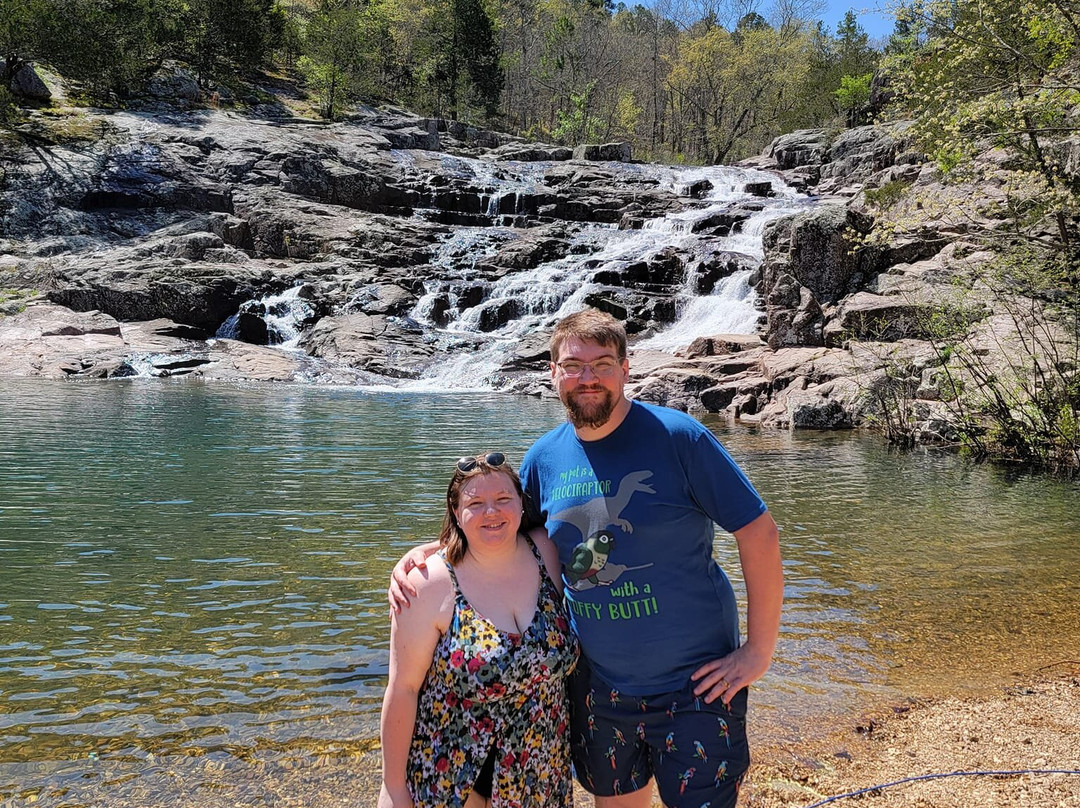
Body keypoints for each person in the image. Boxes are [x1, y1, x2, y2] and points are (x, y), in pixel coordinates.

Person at [390, 309, 783, 808]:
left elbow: (759, 533)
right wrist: (437, 552)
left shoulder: (679, 437)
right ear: (553, 373)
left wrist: (758, 651)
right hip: (599, 689)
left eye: (602, 364)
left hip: (697, 684)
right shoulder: (543, 458)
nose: (588, 377)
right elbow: (507, 534)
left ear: (625, 369)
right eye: (574, 365)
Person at [379, 452, 579, 808]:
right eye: (475, 504)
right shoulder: (427, 583)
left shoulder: (547, 552)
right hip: (453, 778)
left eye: (503, 499)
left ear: (521, 504)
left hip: (540, 774)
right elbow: (403, 688)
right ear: (456, 512)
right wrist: (393, 787)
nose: (492, 511)